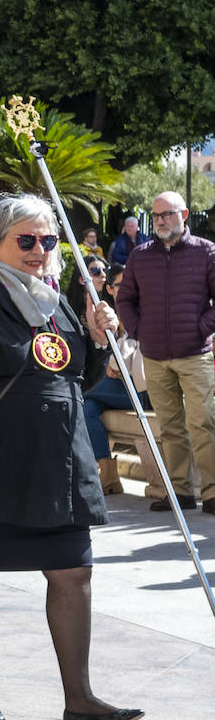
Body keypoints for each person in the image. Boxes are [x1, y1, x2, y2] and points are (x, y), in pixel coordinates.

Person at [0, 193, 142, 720]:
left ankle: (80, 698)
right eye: (26, 240)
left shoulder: (58, 301)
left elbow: (74, 383)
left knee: (74, 571)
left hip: (60, 466)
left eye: (47, 240)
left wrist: (94, 335)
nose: (40, 251)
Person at [116, 191, 215, 514]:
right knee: (170, 426)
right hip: (155, 355)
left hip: (194, 353)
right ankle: (180, 493)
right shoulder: (140, 256)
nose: (160, 221)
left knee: (202, 423)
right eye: (156, 216)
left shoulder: (206, 252)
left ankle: (212, 493)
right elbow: (125, 300)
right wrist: (140, 331)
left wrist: (202, 327)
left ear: (183, 214)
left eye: (167, 214)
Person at [83, 263, 150, 494]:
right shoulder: (106, 312)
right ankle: (109, 477)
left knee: (82, 391)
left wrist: (112, 364)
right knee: (87, 408)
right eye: (121, 285)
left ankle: (106, 476)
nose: (127, 289)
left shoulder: (141, 310)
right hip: (116, 388)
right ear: (110, 289)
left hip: (143, 389)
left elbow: (122, 359)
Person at [65, 254, 108, 320]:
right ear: (81, 279)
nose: (103, 275)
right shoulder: (68, 309)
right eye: (95, 271)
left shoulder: (114, 302)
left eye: (105, 270)